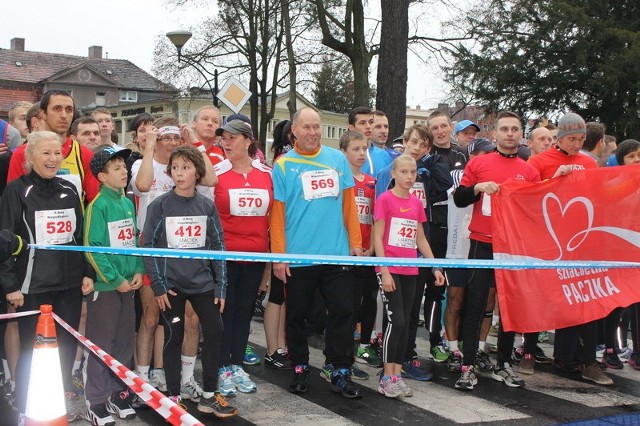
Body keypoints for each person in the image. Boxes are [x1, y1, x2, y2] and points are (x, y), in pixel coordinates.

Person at [0, 131, 95, 420]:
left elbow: (79, 236)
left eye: (57, 153)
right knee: (33, 351)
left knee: (65, 349)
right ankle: (26, 406)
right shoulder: (17, 191)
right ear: (29, 157)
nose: (53, 159)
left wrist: (87, 271)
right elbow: (4, 239)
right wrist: (10, 285)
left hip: (68, 284)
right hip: (32, 287)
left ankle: (56, 405)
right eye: (45, 153)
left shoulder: (68, 189)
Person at [270, 107, 363, 399]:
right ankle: (299, 365)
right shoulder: (284, 165)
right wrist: (279, 256)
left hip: (336, 255)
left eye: (316, 127)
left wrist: (356, 244)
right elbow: (277, 214)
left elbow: (350, 206)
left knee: (342, 312)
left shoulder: (337, 159)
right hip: (299, 256)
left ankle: (340, 369)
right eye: (306, 127)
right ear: (294, 131)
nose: (312, 132)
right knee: (297, 315)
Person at [142, 145, 238, 418]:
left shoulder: (206, 205)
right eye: (175, 168)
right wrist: (159, 286)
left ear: (197, 172)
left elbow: (218, 245)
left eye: (185, 168)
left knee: (215, 332)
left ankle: (209, 394)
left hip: (203, 285)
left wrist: (221, 285)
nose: (179, 173)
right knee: (174, 336)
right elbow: (148, 246)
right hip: (171, 286)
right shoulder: (159, 205)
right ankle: (173, 396)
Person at [453, 111, 541, 391]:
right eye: (505, 129)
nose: (510, 133)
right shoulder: (479, 163)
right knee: (476, 304)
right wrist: (478, 187)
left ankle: (503, 363)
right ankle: (467, 365)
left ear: (521, 134)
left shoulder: (529, 170)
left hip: (512, 246)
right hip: (482, 242)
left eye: (515, 129)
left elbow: (538, 208)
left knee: (509, 306)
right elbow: (459, 198)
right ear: (495, 134)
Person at [374, 155, 445, 398]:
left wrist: (435, 267)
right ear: (393, 173)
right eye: (403, 172)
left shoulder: (416, 203)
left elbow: (420, 238)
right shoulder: (384, 200)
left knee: (406, 325)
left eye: (412, 172)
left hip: (411, 270)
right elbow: (378, 237)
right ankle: (386, 376)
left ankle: (396, 374)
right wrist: (384, 270)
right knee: (397, 322)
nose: (409, 177)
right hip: (390, 269)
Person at [83, 146, 143, 425]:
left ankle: (120, 394)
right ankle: (96, 401)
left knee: (123, 342)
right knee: (101, 344)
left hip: (128, 288)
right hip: (106, 289)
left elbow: (133, 242)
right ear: (102, 176)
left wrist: (138, 270)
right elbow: (93, 249)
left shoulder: (128, 203)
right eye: (117, 167)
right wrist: (116, 279)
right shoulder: (98, 205)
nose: (125, 171)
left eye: (125, 166)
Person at [214, 120, 273, 395]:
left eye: (233, 137)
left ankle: (235, 364)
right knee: (225, 313)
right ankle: (221, 366)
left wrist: (270, 265)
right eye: (223, 138)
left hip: (255, 256)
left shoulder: (267, 174)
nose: (226, 142)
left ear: (249, 141)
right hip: (226, 256)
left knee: (244, 313)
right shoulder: (216, 174)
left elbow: (273, 220)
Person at [7, 90, 100, 205]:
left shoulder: (83, 154)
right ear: (42, 113)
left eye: (69, 110)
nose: (64, 115)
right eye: (57, 109)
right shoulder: (24, 153)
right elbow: (12, 202)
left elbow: (95, 202)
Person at [339, 130, 381, 371]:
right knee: (349, 302)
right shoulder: (341, 182)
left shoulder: (371, 183)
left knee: (369, 298)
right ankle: (346, 350)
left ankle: (365, 343)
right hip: (347, 251)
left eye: (364, 149)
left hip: (368, 251)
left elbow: (376, 218)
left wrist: (372, 247)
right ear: (343, 152)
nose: (361, 154)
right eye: (355, 149)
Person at [348, 106, 392, 177]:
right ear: (351, 128)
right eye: (362, 123)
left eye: (371, 122)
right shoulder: (341, 156)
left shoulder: (384, 156)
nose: (368, 126)